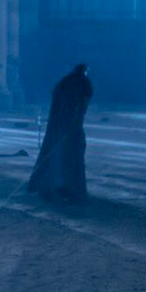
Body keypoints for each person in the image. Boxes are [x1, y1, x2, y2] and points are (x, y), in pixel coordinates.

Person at [28, 63, 93, 203]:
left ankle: (58, 185)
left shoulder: (64, 83)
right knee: (72, 156)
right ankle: (70, 189)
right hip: (70, 128)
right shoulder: (81, 83)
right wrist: (74, 123)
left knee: (59, 154)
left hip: (58, 127)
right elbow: (80, 106)